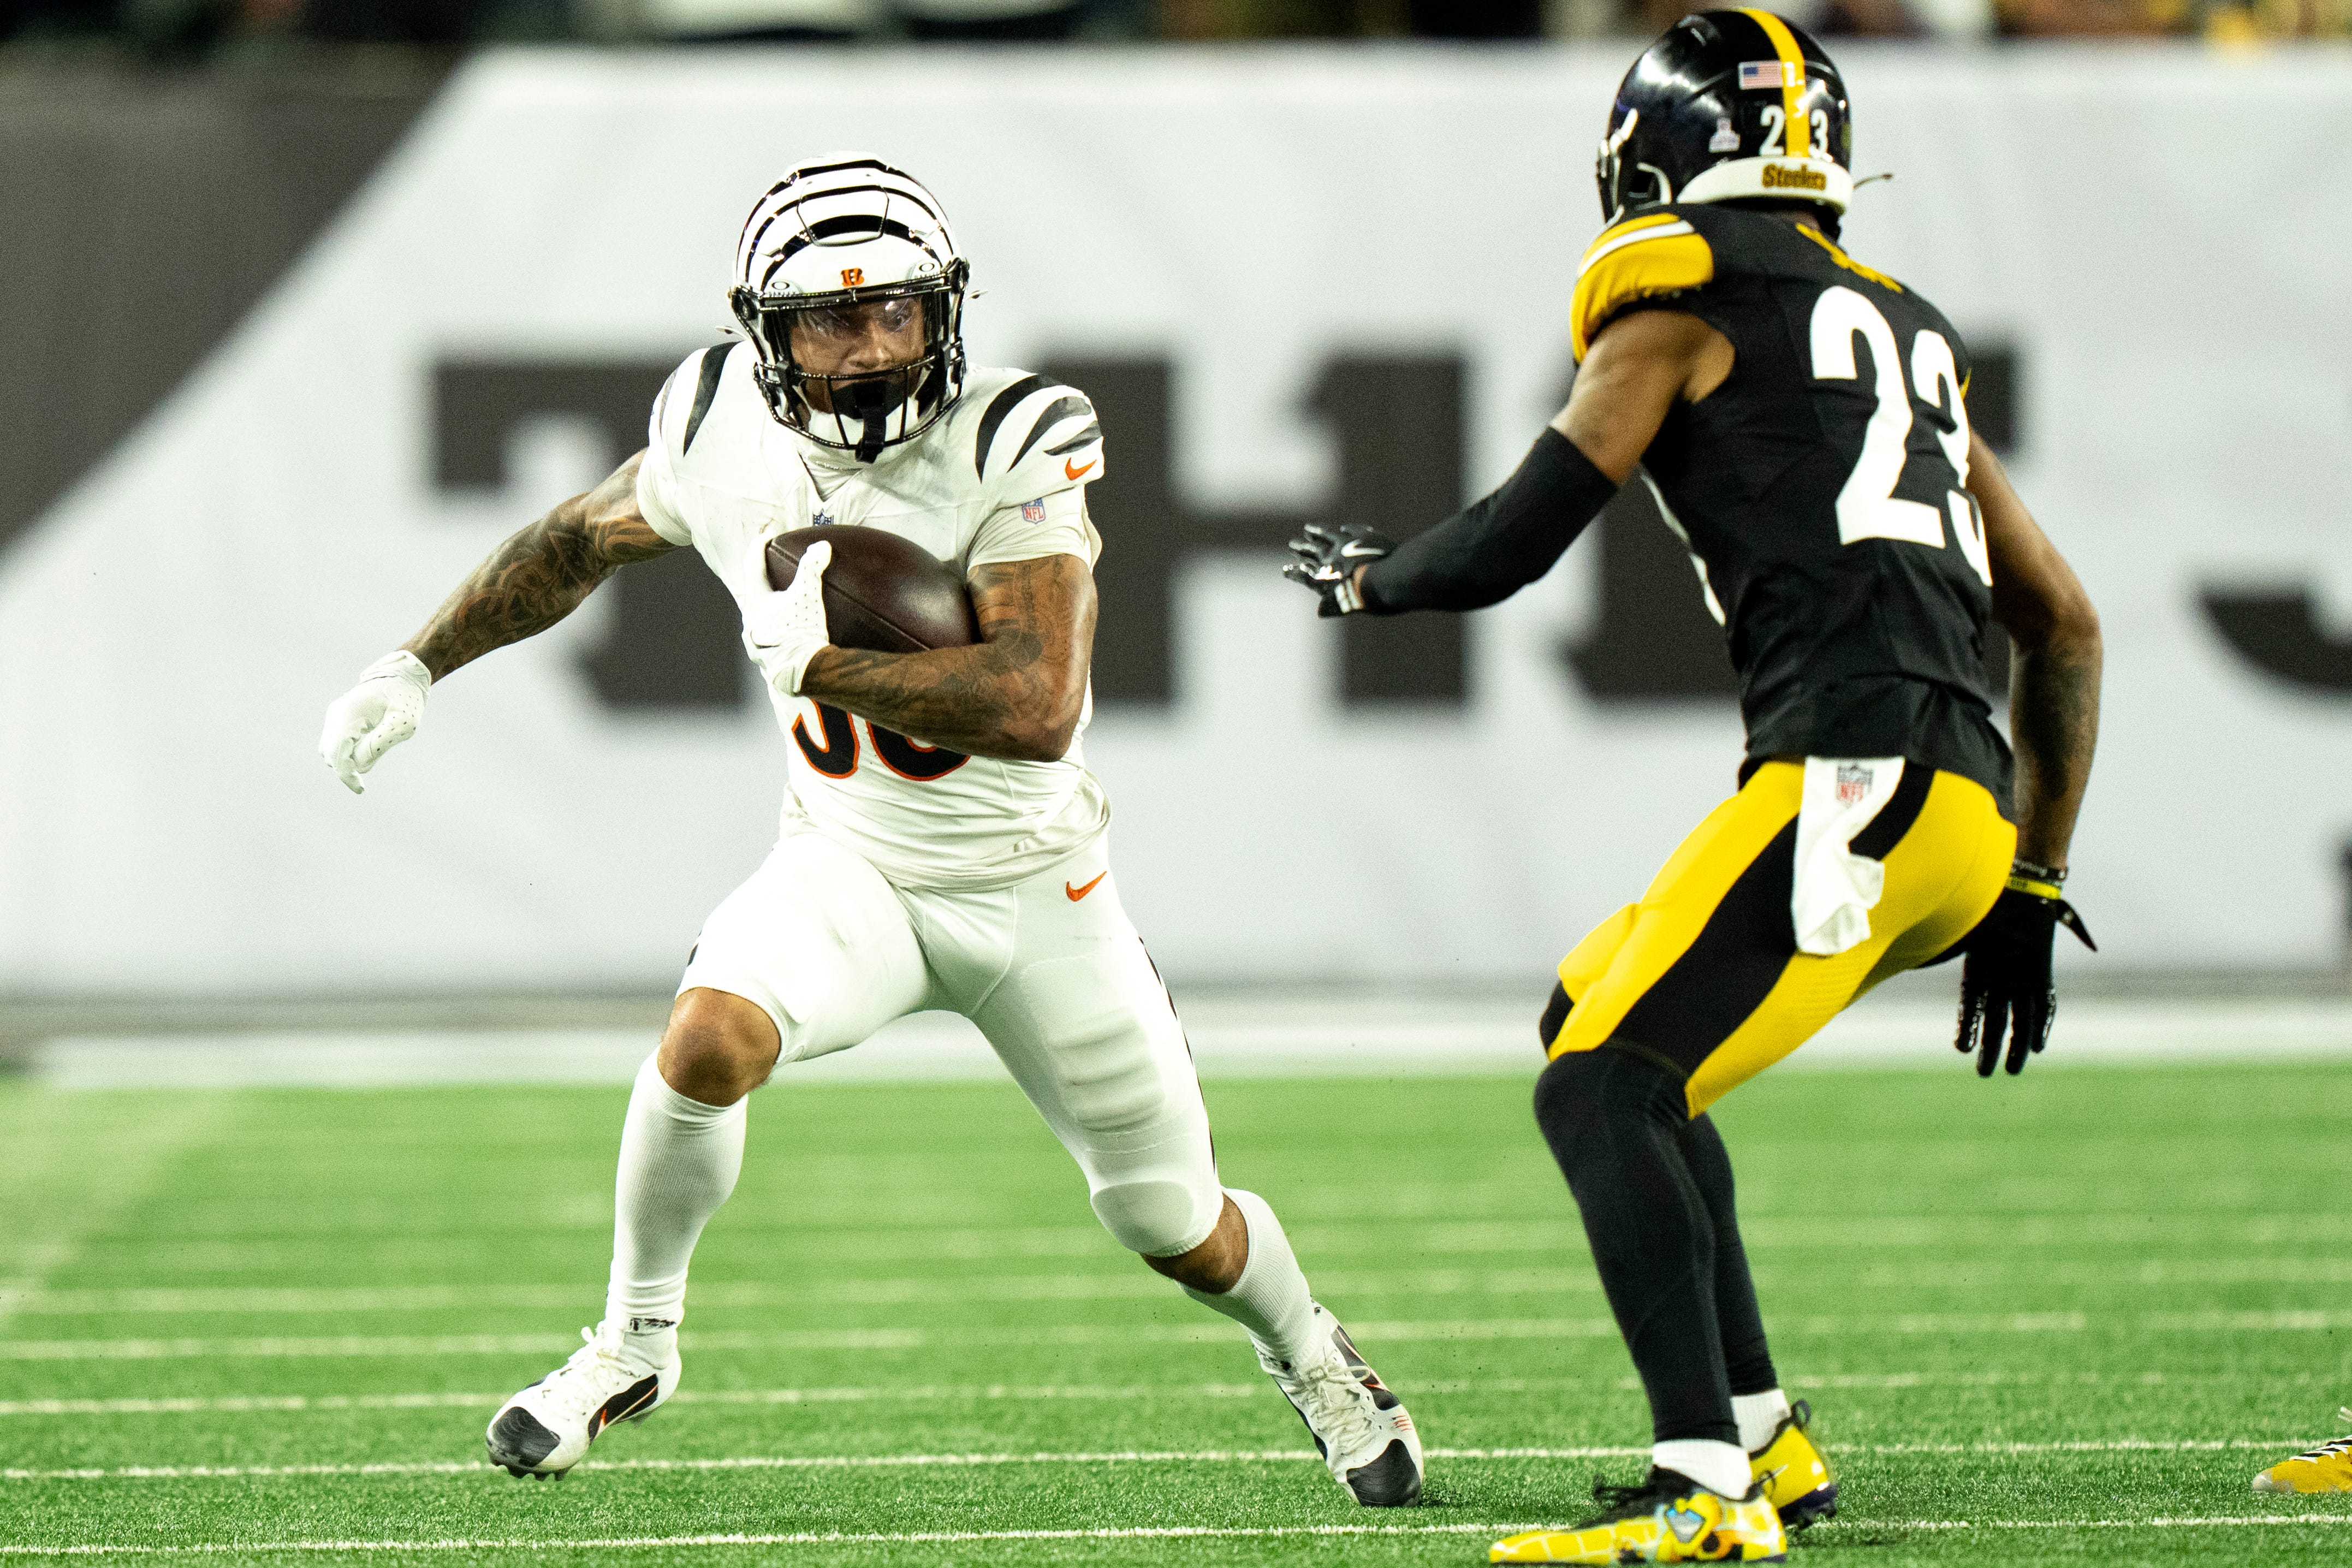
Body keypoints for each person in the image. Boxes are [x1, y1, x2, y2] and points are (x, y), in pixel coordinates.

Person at [319, 154, 1422, 1507]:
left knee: (1169, 1219)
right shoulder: (718, 417)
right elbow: (574, 537)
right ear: (764, 338)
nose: (869, 348)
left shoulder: (1014, 433)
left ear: (942, 310)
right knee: (707, 1036)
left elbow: (1034, 701)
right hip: (851, 863)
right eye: (831, 321)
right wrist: (416, 662)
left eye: (896, 312)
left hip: (1033, 890)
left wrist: (822, 667)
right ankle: (634, 1340)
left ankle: (1313, 1351)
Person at [1284, 14, 2099, 1561]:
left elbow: (1521, 532)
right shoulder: (1904, 329)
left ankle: (1703, 1493)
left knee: (1603, 1085)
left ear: (1652, 158)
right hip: (1957, 806)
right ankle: (1758, 1435)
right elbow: (2060, 621)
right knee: (1595, 1019)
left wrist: (1371, 584)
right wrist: (2033, 876)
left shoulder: (1675, 301)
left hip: (1854, 777)